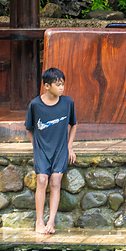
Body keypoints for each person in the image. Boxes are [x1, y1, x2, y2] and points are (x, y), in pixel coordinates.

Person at [25, 67, 77, 235]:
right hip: (41, 149)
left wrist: (70, 146)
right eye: (57, 84)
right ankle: (39, 221)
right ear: (47, 86)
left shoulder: (68, 102)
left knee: (55, 181)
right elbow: (29, 128)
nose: (61, 88)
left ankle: (51, 221)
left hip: (61, 149)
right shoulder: (35, 104)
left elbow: (73, 124)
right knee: (41, 180)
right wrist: (36, 147)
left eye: (62, 84)